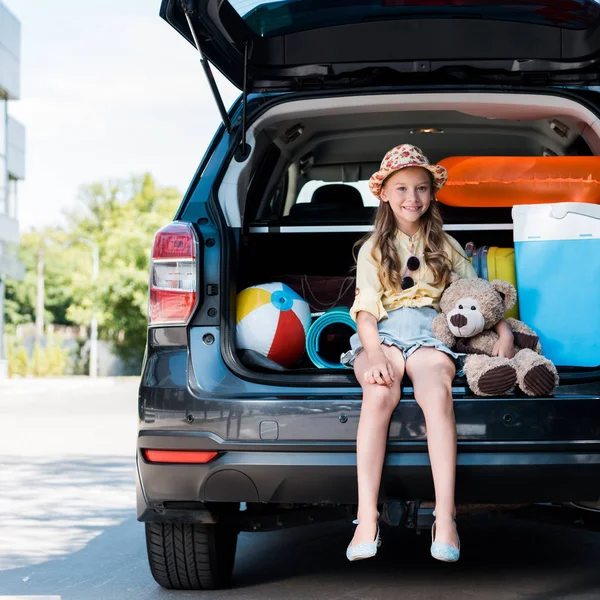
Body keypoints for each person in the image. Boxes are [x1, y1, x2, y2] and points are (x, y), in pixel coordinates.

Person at [341, 144, 515, 563]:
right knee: (378, 392)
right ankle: (367, 516)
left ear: (432, 194)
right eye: (401, 188)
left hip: (430, 333)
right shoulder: (372, 249)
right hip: (380, 334)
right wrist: (375, 355)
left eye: (421, 188)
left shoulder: (447, 245)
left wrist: (504, 330)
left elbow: (476, 297)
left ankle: (446, 516)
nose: (412, 198)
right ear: (383, 193)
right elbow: (365, 312)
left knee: (437, 395)